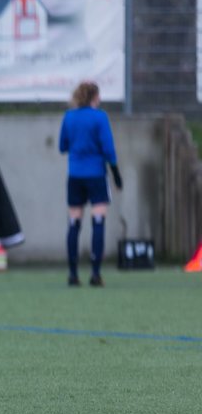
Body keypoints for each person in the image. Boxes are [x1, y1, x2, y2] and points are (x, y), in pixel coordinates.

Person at [59, 81, 121, 287]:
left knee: (74, 223)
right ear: (94, 97)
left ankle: (72, 273)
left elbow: (62, 145)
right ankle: (95, 273)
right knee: (98, 220)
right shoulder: (100, 117)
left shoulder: (69, 117)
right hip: (96, 175)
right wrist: (116, 173)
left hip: (75, 175)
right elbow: (108, 148)